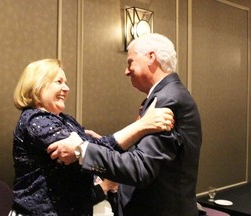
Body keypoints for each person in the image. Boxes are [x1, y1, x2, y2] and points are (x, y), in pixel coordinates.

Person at [48, 33, 202, 216]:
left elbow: (141, 168)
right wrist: (106, 144)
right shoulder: (165, 94)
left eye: (130, 62)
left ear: (151, 57)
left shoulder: (168, 99)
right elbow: (150, 153)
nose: (126, 71)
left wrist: (82, 150)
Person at [9, 58, 174, 216]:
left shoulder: (65, 119)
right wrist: (142, 125)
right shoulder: (35, 120)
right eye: (59, 82)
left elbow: (92, 149)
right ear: (37, 86)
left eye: (66, 82)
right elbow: (87, 151)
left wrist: (92, 144)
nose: (67, 88)